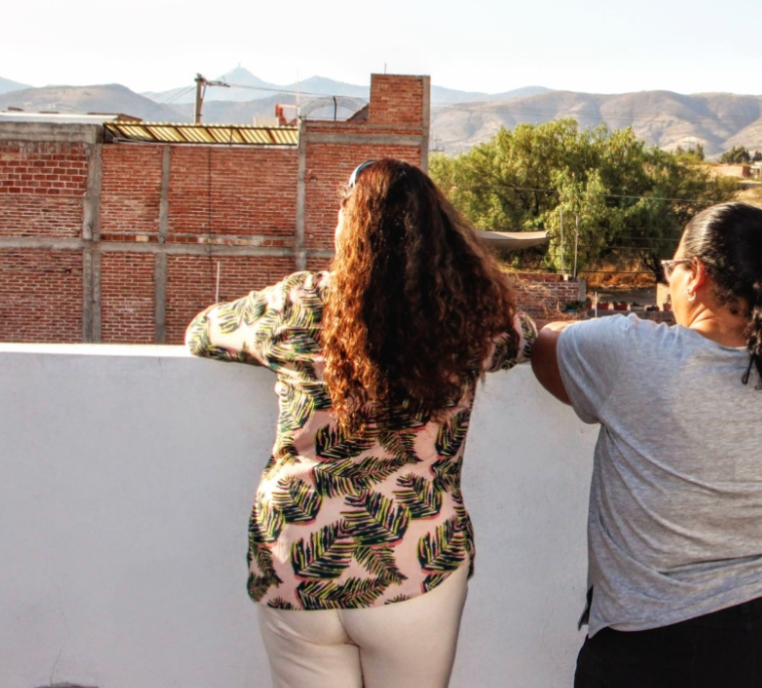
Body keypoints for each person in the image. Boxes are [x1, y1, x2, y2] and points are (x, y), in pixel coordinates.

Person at [186, 159, 537, 688]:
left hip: (296, 558)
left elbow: (201, 333)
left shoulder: (297, 303)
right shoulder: (471, 316)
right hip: (413, 560)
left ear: (349, 224)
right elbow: (527, 338)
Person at [531, 202, 762, 688]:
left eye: (671, 269)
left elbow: (546, 343)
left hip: (661, 643)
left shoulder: (630, 353)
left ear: (694, 274)